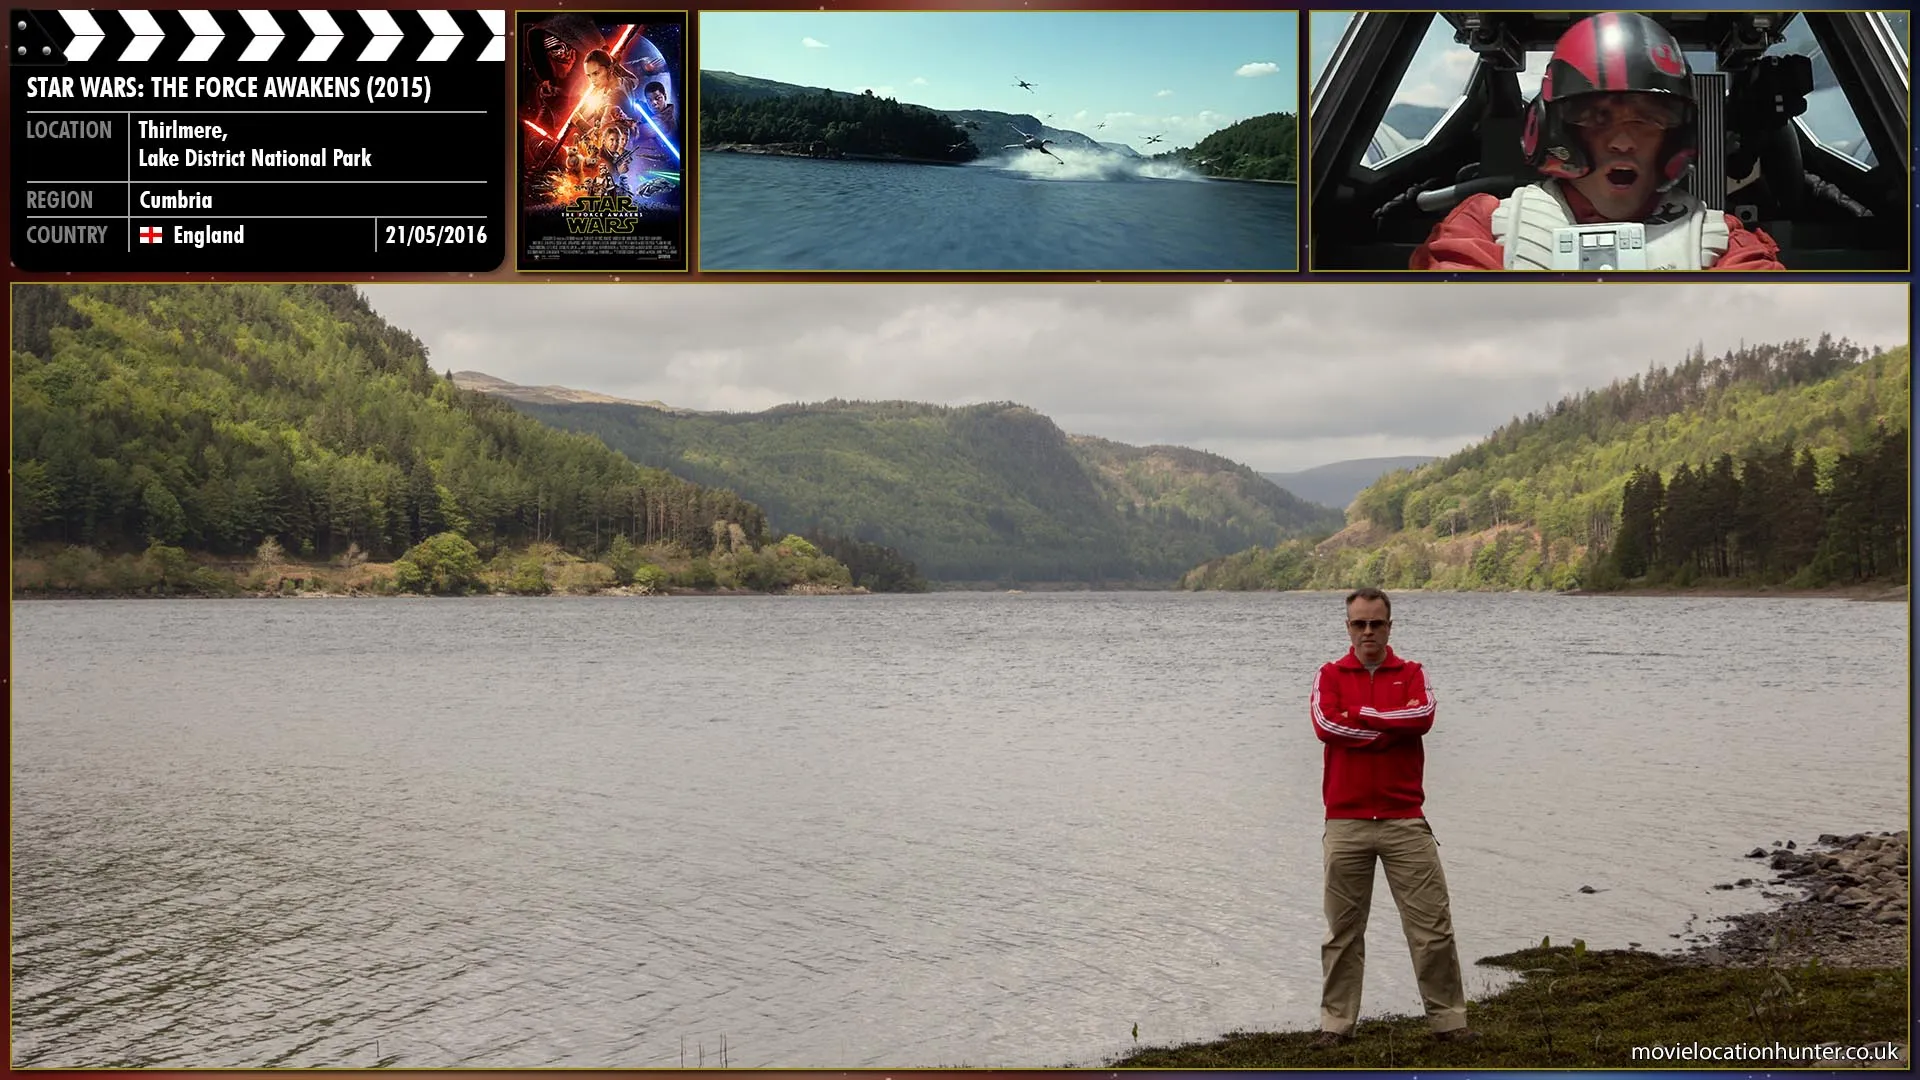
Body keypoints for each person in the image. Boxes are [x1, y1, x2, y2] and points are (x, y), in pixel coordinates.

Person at [1410, 11, 1784, 271]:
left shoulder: (1724, 240)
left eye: (1648, 118)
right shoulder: (1484, 225)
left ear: (1678, 136)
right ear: (1548, 127)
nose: (1622, 141)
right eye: (1597, 117)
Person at [1308, 588, 1476, 1046]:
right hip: (1346, 822)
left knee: (1432, 928)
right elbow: (1326, 725)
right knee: (1342, 932)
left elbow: (1421, 717)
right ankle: (1335, 1026)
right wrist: (1386, 725)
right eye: (1359, 623)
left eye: (1375, 623)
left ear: (1389, 626)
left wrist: (1362, 716)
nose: (1367, 631)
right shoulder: (1328, 675)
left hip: (1405, 820)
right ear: (1348, 627)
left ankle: (1449, 1022)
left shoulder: (1413, 672)